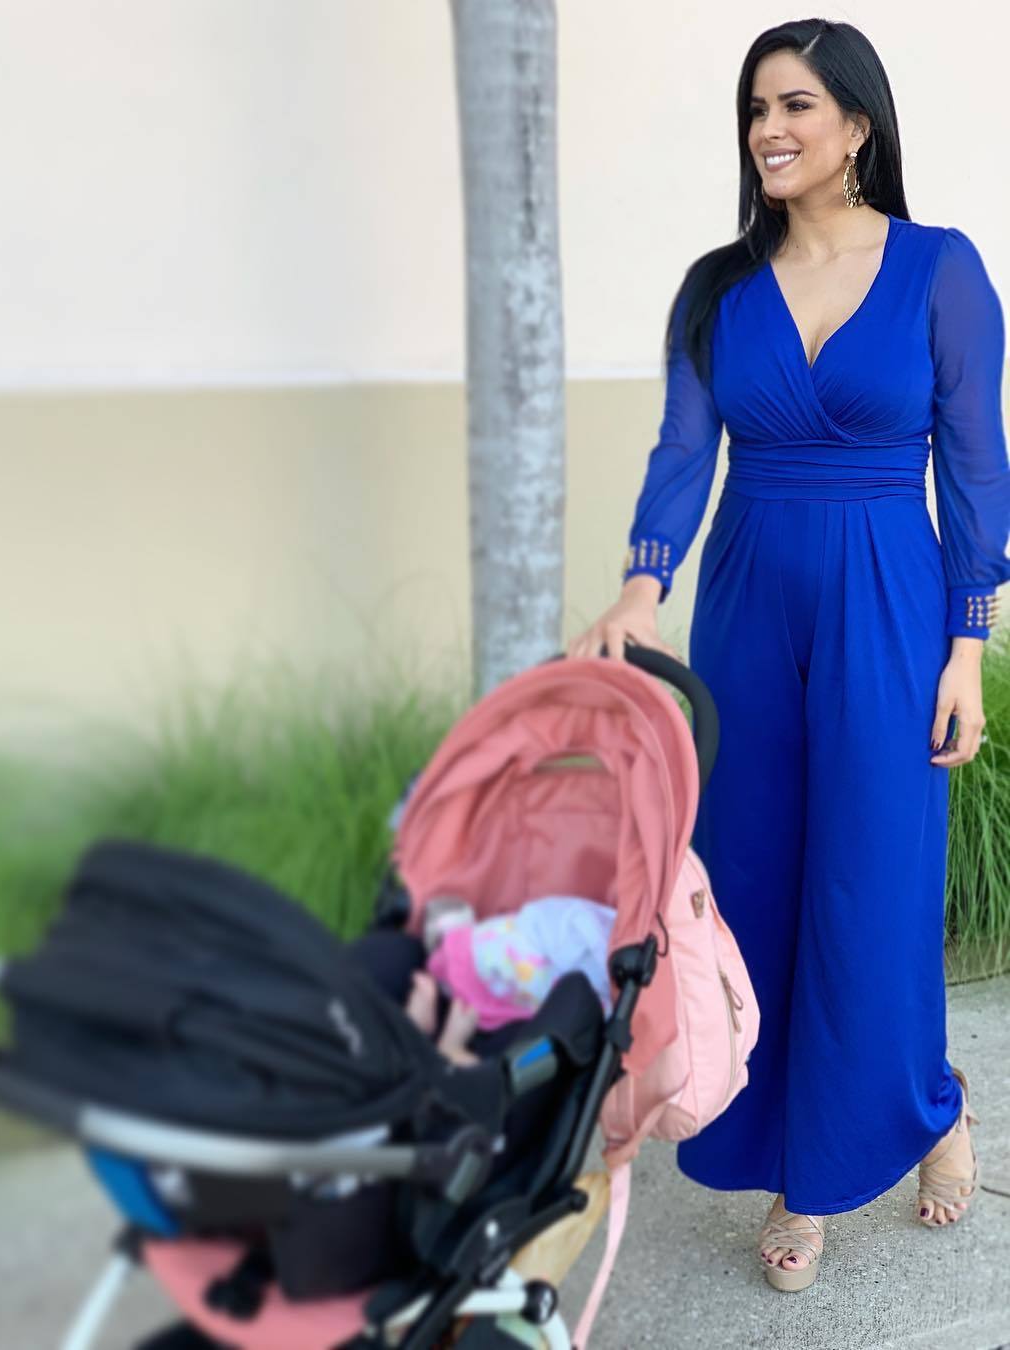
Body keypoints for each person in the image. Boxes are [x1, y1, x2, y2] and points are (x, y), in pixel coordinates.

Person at [566, 18, 1008, 1292]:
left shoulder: (941, 269)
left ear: (857, 125)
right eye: (757, 108)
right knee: (753, 881)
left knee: (874, 883)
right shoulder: (717, 287)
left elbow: (976, 466)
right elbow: (681, 448)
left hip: (889, 602)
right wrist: (643, 584)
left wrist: (967, 648)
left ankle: (924, 1110)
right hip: (750, 607)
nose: (770, 129)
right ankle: (789, 1168)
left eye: (797, 105)